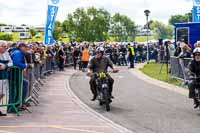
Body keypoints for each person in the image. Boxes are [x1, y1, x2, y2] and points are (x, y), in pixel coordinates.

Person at [11, 43, 29, 110]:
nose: (26, 49)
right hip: (15, 74)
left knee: (24, 84)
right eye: (25, 47)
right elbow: (16, 63)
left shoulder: (17, 52)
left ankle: (18, 104)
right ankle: (17, 104)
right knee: (17, 88)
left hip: (16, 74)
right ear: (21, 47)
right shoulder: (17, 53)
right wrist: (25, 66)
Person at [0, 41, 13, 116]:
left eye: (6, 47)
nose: (6, 48)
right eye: (4, 46)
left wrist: (6, 66)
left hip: (4, 76)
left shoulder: (6, 53)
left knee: (2, 94)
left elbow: (11, 62)